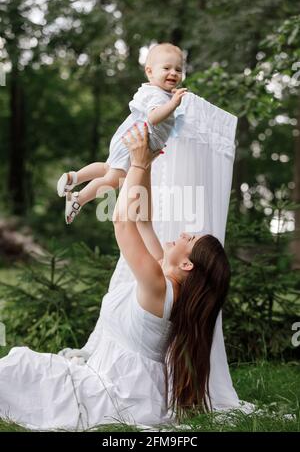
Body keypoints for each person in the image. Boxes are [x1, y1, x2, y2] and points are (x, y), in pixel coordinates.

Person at [0, 123, 231, 431]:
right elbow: (142, 218)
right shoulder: (164, 275)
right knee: (19, 366)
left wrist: (134, 163)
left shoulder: (158, 288)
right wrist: (146, 164)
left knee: (18, 368)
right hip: (117, 380)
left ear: (187, 266)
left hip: (117, 392)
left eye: (189, 240)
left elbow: (123, 223)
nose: (184, 233)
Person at [57, 42, 187, 224]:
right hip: (134, 141)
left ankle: (74, 177)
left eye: (178, 70)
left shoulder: (158, 93)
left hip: (128, 137)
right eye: (167, 68)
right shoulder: (158, 96)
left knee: (107, 168)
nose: (173, 73)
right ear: (150, 72)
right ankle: (79, 198)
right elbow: (153, 117)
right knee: (113, 178)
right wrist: (173, 104)